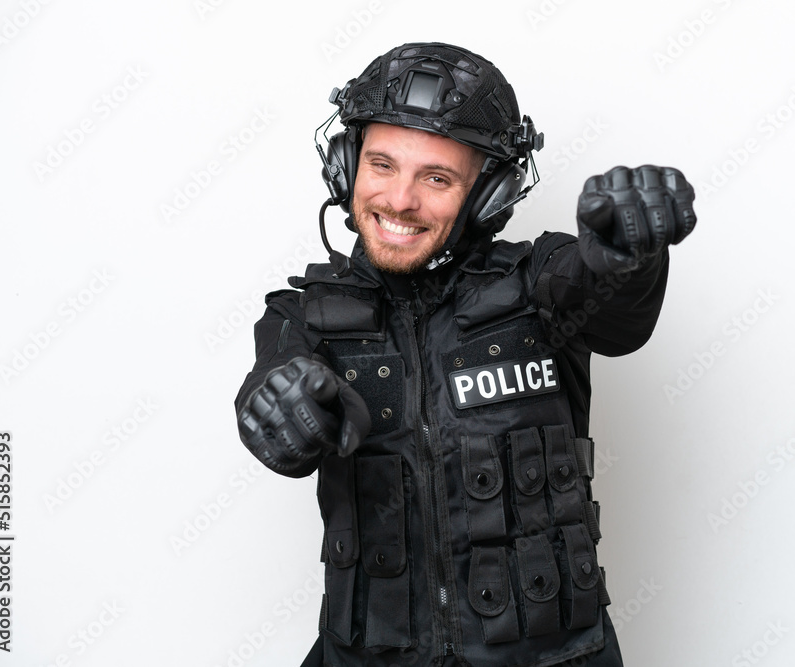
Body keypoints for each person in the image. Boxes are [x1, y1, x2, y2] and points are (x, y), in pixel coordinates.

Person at [234, 42, 696, 667]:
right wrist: (279, 410)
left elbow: (611, 312)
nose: (399, 201)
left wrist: (624, 252)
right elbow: (269, 394)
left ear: (488, 195)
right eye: (381, 165)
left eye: (436, 178)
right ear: (344, 168)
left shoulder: (540, 287)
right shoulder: (304, 318)